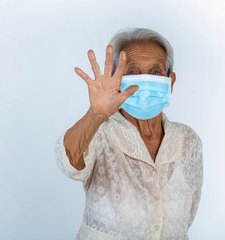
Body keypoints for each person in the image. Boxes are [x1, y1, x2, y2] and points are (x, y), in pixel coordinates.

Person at [55, 28, 203, 240]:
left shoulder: (189, 140)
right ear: (116, 81)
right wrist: (95, 115)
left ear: (171, 81)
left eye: (156, 72)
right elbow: (68, 163)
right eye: (132, 72)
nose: (144, 79)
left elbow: (189, 215)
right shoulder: (100, 132)